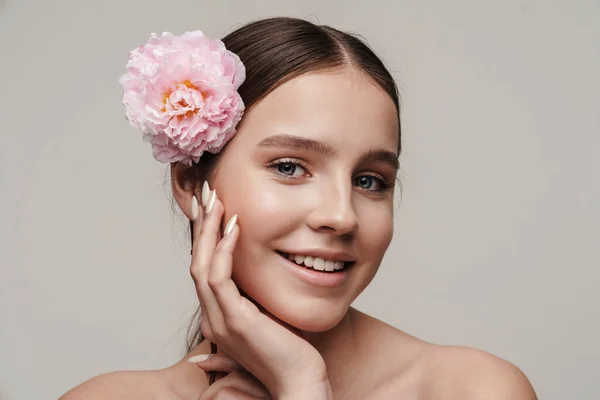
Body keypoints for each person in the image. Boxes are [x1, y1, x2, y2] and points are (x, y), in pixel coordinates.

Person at [60, 16, 537, 400]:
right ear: (190, 184)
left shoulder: (472, 390)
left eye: (370, 181)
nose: (342, 215)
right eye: (290, 168)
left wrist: (303, 387)